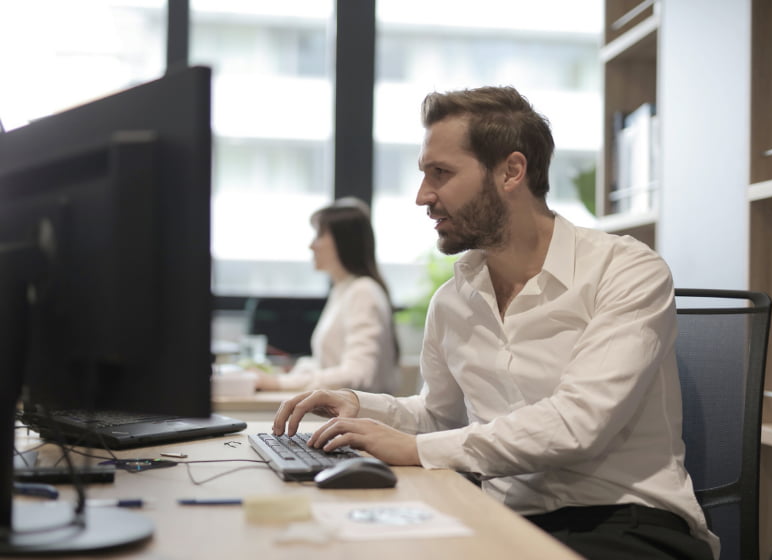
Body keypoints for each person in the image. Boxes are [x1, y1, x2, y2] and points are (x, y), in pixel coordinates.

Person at [272, 87, 717, 560]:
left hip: (624, 522)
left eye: (440, 174)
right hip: (503, 519)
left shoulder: (626, 270)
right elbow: (440, 417)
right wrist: (361, 406)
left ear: (511, 171)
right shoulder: (453, 301)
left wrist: (417, 450)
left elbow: (577, 424)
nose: (424, 196)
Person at [255, 197, 399, 394]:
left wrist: (280, 383)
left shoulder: (363, 291)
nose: (311, 245)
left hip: (356, 417)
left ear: (344, 241)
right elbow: (326, 364)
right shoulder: (343, 289)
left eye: (319, 235)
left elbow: (358, 373)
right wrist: (283, 375)